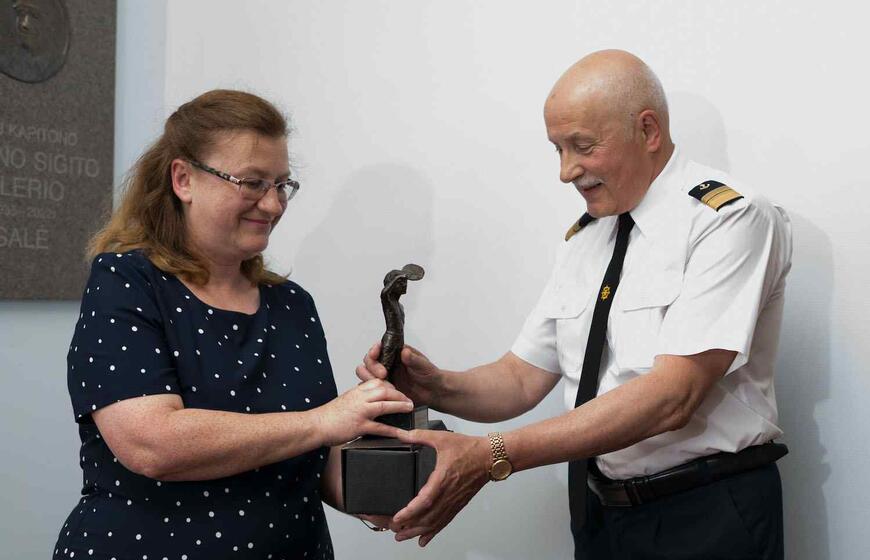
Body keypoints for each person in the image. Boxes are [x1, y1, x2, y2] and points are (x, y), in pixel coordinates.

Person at [357, 50, 792, 559]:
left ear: (648, 131)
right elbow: (521, 378)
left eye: (582, 146)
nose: (566, 171)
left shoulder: (728, 219)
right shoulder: (587, 236)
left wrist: (494, 454)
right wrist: (435, 386)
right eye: (557, 149)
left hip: (706, 514)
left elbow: (673, 396)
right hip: (601, 517)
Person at [53, 89, 413, 560]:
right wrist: (325, 420)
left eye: (282, 184)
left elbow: (315, 461)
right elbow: (151, 444)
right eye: (252, 183)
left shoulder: (292, 305)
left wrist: (396, 470)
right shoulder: (126, 282)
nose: (273, 205)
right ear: (183, 179)